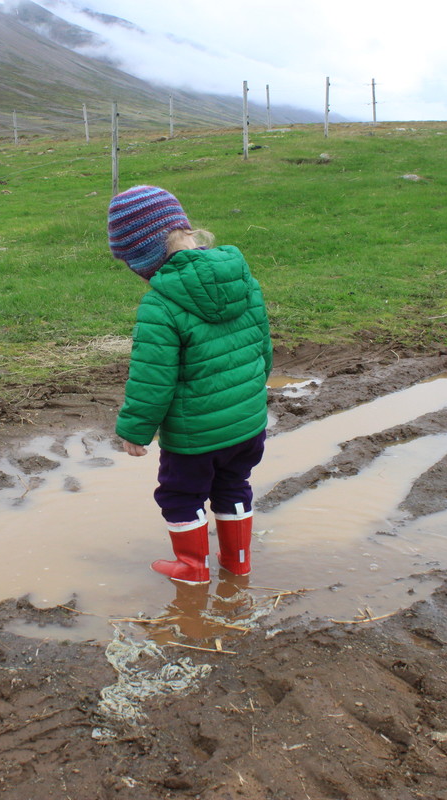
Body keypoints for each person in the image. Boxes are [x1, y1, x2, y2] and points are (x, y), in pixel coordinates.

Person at [107, 185, 273, 584]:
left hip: (194, 437)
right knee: (234, 485)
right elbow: (263, 351)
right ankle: (238, 562)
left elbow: (153, 380)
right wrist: (248, 395)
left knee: (180, 495)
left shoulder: (160, 304)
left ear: (142, 256)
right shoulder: (244, 279)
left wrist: (135, 429)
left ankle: (192, 568)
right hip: (248, 424)